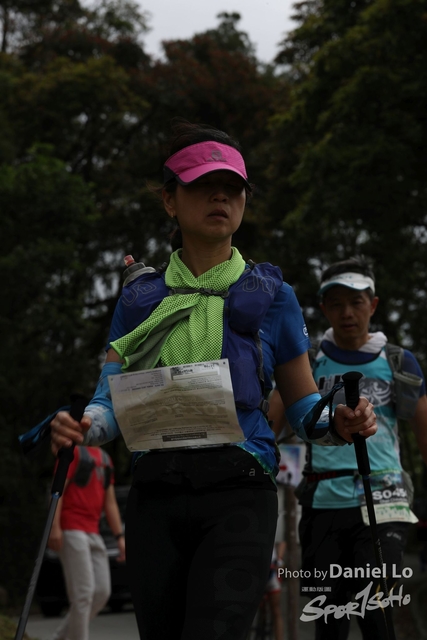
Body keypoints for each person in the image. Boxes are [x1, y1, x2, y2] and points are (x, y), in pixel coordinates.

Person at [49, 122, 376, 640]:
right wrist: (81, 427)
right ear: (170, 200)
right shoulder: (138, 299)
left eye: (233, 186)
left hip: (240, 492)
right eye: (203, 184)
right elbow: (107, 404)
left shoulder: (275, 296)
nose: (220, 196)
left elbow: (303, 410)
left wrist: (340, 421)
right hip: (155, 494)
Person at [269, 256, 427, 640]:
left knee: (376, 615)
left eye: (356, 302)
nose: (347, 313)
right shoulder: (306, 362)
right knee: (329, 620)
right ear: (323, 308)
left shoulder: (399, 362)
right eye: (336, 303)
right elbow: (270, 424)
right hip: (321, 503)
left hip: (384, 500)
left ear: (373, 304)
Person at [48, 445, 125, 640]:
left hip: (93, 530)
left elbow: (110, 502)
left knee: (102, 592)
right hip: (71, 527)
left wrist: (119, 537)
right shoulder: (73, 453)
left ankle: (59, 637)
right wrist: (54, 526)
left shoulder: (105, 459)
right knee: (83, 595)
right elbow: (57, 491)